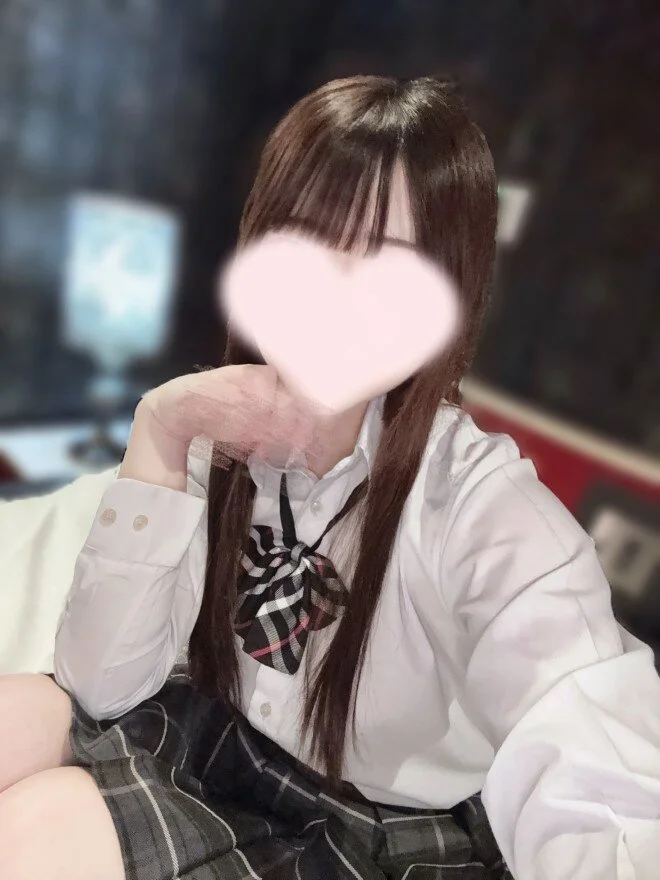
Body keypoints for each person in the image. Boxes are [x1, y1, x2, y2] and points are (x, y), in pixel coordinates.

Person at [1, 75, 659, 880]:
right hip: (221, 738)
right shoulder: (222, 433)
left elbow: (591, 753)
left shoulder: (482, 510)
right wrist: (161, 433)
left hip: (377, 829)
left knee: (39, 834)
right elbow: (102, 686)